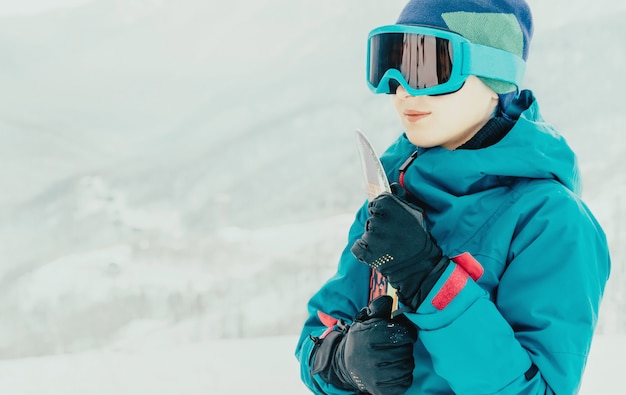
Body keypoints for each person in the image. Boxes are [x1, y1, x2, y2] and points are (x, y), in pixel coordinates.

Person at [294, 0, 611, 394]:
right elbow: (317, 331)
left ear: (494, 72)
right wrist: (341, 361)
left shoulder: (552, 222)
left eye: (426, 66)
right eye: (391, 65)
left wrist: (431, 282)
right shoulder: (393, 194)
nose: (403, 91)